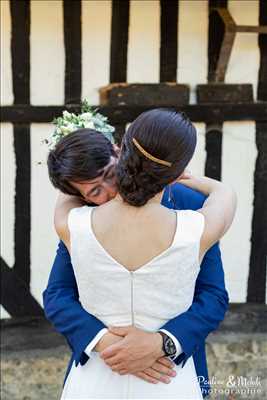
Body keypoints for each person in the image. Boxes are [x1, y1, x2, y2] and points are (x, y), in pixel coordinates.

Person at [45, 109, 236, 399]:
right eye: (94, 191)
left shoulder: (192, 204)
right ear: (81, 197)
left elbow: (213, 295)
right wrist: (107, 343)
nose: (109, 191)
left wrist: (164, 344)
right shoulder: (82, 218)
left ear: (119, 151)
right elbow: (58, 295)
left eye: (109, 174)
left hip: (170, 368)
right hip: (103, 365)